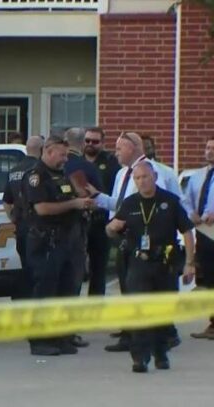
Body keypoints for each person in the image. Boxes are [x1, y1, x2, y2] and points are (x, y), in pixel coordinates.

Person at [87, 131, 189, 352]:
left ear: (133, 147)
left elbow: (153, 205)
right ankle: (131, 334)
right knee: (128, 287)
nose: (115, 153)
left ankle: (163, 334)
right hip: (126, 238)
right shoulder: (123, 173)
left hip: (152, 242)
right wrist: (98, 198)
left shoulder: (154, 172)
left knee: (153, 290)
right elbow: (122, 205)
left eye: (119, 148)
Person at [105, 161, 196, 372]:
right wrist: (112, 229)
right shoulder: (130, 203)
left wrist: (190, 264)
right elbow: (112, 229)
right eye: (137, 178)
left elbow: (188, 232)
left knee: (163, 311)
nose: (141, 181)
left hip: (165, 262)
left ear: (154, 176)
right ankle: (140, 357)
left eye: (145, 177)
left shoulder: (170, 201)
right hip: (139, 263)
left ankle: (161, 352)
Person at [22, 135, 95, 356]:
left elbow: (71, 200)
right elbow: (42, 208)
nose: (65, 159)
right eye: (62, 155)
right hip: (46, 241)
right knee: (45, 291)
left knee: (65, 290)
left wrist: (83, 199)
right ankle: (40, 340)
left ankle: (61, 337)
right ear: (48, 151)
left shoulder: (62, 175)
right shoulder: (36, 176)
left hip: (67, 240)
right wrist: (74, 203)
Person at [62, 127, 103, 349]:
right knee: (76, 278)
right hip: (80, 228)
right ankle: (71, 328)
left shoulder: (55, 167)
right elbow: (98, 197)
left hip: (55, 230)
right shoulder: (86, 167)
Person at [2, 135, 43, 299]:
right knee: (39, 269)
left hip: (21, 226)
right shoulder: (40, 170)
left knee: (25, 264)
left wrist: (13, 218)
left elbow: (6, 200)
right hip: (38, 227)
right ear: (41, 150)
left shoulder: (14, 171)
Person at [183, 136, 214, 339]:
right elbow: (185, 200)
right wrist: (190, 213)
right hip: (204, 233)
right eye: (208, 147)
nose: (210, 151)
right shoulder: (196, 176)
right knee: (209, 279)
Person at [83, 127, 120, 296]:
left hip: (101, 220)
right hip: (79, 221)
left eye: (95, 141)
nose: (90, 144)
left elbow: (116, 192)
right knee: (75, 269)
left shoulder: (112, 163)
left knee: (98, 268)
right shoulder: (75, 161)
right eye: (87, 140)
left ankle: (95, 309)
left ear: (103, 143)